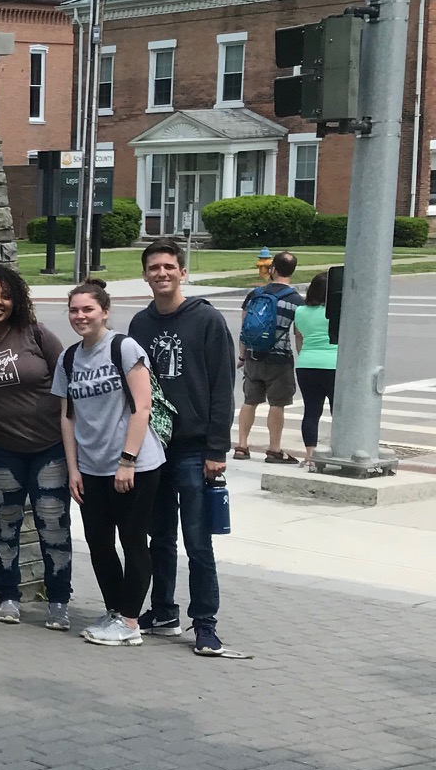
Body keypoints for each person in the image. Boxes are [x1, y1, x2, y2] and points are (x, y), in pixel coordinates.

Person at [130, 238, 234, 656]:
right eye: (154, 268)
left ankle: (205, 623)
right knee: (160, 537)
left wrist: (217, 448)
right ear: (145, 274)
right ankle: (163, 609)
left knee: (197, 540)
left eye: (169, 267)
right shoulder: (140, 324)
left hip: (194, 448)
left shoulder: (207, 320)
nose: (162, 274)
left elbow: (223, 387)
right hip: (155, 446)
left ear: (182, 272)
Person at [0, 264, 72, 631]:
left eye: (6, 296)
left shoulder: (35, 334)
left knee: (53, 523)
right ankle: (8, 596)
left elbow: (68, 381)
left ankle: (58, 601)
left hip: (49, 448)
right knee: (4, 522)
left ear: (16, 301)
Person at [53, 281, 164, 647]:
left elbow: (142, 406)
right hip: (92, 467)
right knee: (99, 543)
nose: (80, 316)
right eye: (74, 310)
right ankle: (115, 610)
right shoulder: (68, 358)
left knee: (132, 540)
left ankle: (131, 622)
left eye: (87, 309)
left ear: (104, 311)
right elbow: (67, 418)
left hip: (135, 464)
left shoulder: (123, 347)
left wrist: (127, 461)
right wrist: (73, 469)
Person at [234, 250, 301, 464]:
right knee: (277, 404)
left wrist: (243, 356)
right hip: (280, 359)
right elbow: (298, 334)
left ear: (273, 268)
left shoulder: (255, 294)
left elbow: (245, 327)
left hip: (254, 356)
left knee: (249, 401)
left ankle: (242, 445)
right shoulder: (296, 301)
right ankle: (274, 449)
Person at [292, 271, 338, 468]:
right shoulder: (336, 313)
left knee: (311, 411)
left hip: (307, 364)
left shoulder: (300, 311)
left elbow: (299, 339)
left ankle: (310, 455)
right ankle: (340, 449)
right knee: (339, 411)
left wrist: (306, 355)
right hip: (334, 364)